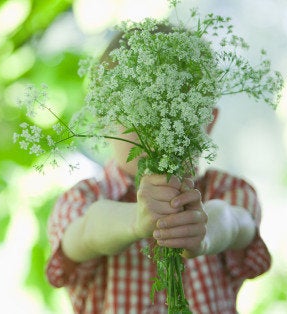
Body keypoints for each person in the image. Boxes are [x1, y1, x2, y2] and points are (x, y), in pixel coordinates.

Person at [45, 29, 272, 314]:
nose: (157, 136)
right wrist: (136, 221)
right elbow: (87, 231)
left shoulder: (226, 190)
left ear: (208, 121)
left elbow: (235, 221)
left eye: (176, 116)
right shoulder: (84, 199)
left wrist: (204, 232)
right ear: (105, 120)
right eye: (139, 117)